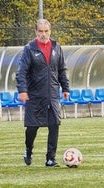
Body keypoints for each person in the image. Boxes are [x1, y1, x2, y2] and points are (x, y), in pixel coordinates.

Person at [16, 19, 70, 167]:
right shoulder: (29, 49)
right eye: (40, 31)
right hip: (35, 95)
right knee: (32, 127)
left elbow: (61, 69)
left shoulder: (56, 47)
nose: (43, 34)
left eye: (46, 31)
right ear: (36, 32)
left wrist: (65, 88)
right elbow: (22, 72)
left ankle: (50, 158)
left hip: (52, 94)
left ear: (50, 31)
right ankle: (28, 150)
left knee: (54, 125)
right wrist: (22, 90)